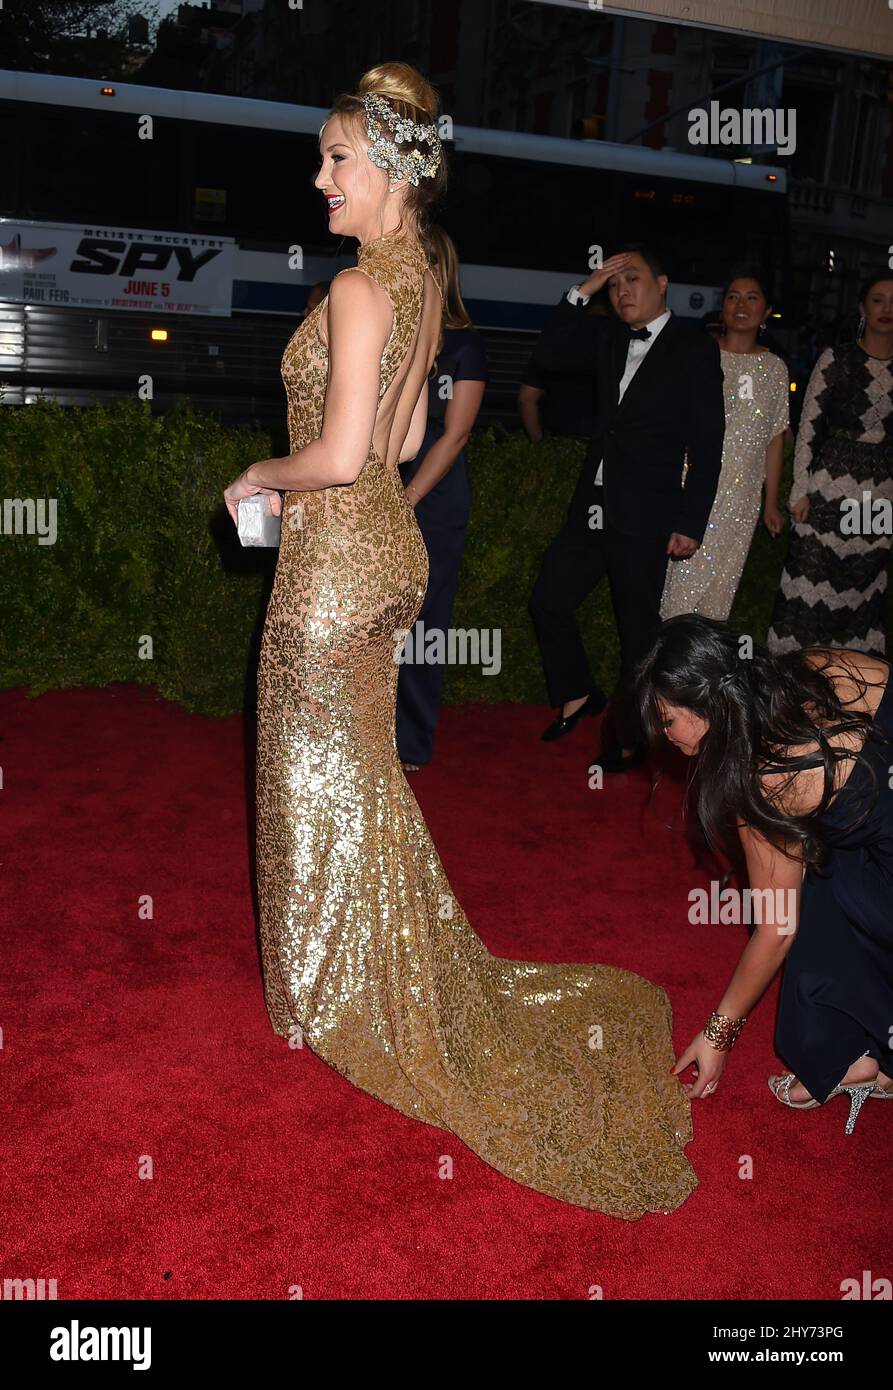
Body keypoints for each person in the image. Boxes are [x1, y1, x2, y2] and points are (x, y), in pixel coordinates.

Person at [222, 63, 696, 1219]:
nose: (319, 175)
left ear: (388, 166)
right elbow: (387, 449)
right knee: (362, 778)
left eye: (337, 156)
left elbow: (335, 456)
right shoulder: (422, 278)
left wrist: (253, 474)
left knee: (303, 775)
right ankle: (360, 971)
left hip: (337, 558)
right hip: (392, 552)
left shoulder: (354, 284)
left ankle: (318, 999)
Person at [635, 614, 893, 1129]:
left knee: (808, 894)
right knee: (823, 861)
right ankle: (865, 1055)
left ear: (706, 708)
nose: (666, 737)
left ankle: (846, 1051)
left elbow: (777, 928)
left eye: (667, 720)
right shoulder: (810, 667)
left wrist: (718, 1033)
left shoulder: (766, 779)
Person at [528, 245, 725, 770]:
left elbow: (709, 440)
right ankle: (578, 692)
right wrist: (583, 290)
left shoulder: (692, 347)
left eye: (632, 279)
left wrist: (690, 521)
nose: (622, 291)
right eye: (614, 285)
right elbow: (547, 355)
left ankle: (635, 738)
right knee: (549, 598)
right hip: (592, 502)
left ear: (662, 283)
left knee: (637, 632)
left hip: (648, 511)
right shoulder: (607, 336)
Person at [396, 226, 489, 773]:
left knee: (424, 623)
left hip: (432, 496)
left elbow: (454, 435)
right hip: (386, 486)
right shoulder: (393, 330)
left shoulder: (464, 343)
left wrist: (407, 497)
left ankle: (411, 742)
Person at [767, 274, 893, 657]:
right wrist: (798, 490)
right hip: (826, 490)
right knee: (804, 600)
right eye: (877, 300)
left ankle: (847, 702)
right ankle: (785, 698)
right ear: (861, 308)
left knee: (862, 602)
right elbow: (807, 428)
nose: (887, 309)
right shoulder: (835, 359)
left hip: (880, 499)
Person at [661, 272, 789, 621]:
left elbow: (775, 437)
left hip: (743, 499)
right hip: (696, 491)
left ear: (767, 311)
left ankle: (702, 675)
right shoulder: (698, 353)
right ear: (723, 306)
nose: (741, 305)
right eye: (733, 296)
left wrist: (772, 503)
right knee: (677, 603)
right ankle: (667, 672)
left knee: (717, 606)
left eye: (752, 297)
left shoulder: (775, 368)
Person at [517, 290, 609, 442]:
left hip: (558, 439)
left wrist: (538, 441)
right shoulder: (622, 338)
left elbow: (526, 398)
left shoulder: (554, 339)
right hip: (601, 442)